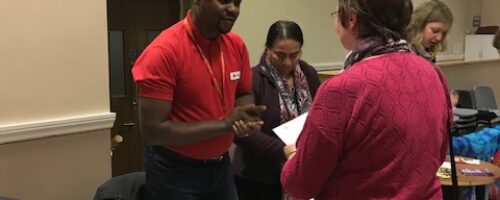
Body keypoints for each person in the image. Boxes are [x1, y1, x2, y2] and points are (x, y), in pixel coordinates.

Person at [280, 0, 453, 199]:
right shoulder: (433, 74)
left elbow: (301, 184)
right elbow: (438, 154)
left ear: (351, 19)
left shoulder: (343, 88)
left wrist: (294, 155)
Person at [131, 0, 266, 199]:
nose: (233, 9)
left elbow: (243, 92)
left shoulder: (236, 45)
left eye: (237, 2)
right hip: (175, 172)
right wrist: (224, 124)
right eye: (224, 1)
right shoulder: (164, 51)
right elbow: (154, 132)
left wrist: (244, 115)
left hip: (221, 166)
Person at [232, 21, 321, 200]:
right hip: (258, 176)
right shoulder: (253, 79)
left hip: (299, 168)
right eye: (280, 55)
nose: (288, 62)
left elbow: (319, 113)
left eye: (294, 55)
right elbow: (242, 132)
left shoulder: (308, 73)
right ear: (268, 49)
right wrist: (283, 150)